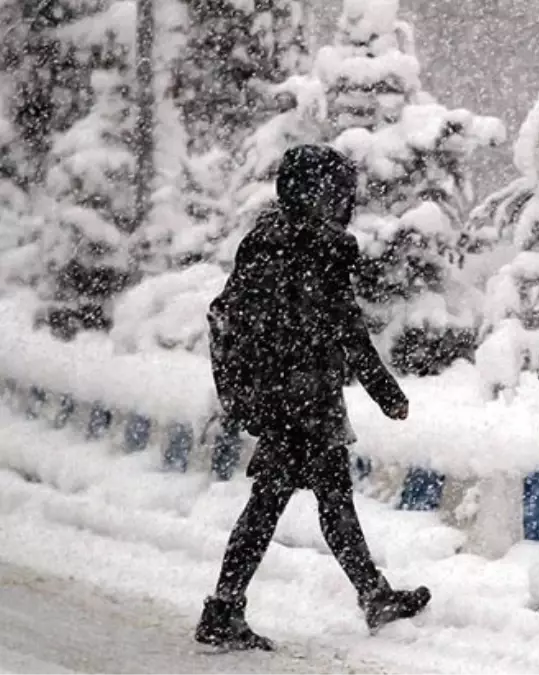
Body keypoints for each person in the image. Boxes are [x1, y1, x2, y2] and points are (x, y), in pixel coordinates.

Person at [195, 144, 430, 651]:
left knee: (316, 497)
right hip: (303, 400)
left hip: (279, 397)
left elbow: (230, 315)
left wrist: (246, 391)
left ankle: (370, 595)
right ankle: (225, 606)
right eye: (339, 191)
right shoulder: (318, 247)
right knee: (286, 503)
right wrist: (387, 394)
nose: (345, 201)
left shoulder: (263, 240)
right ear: (321, 193)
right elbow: (348, 328)